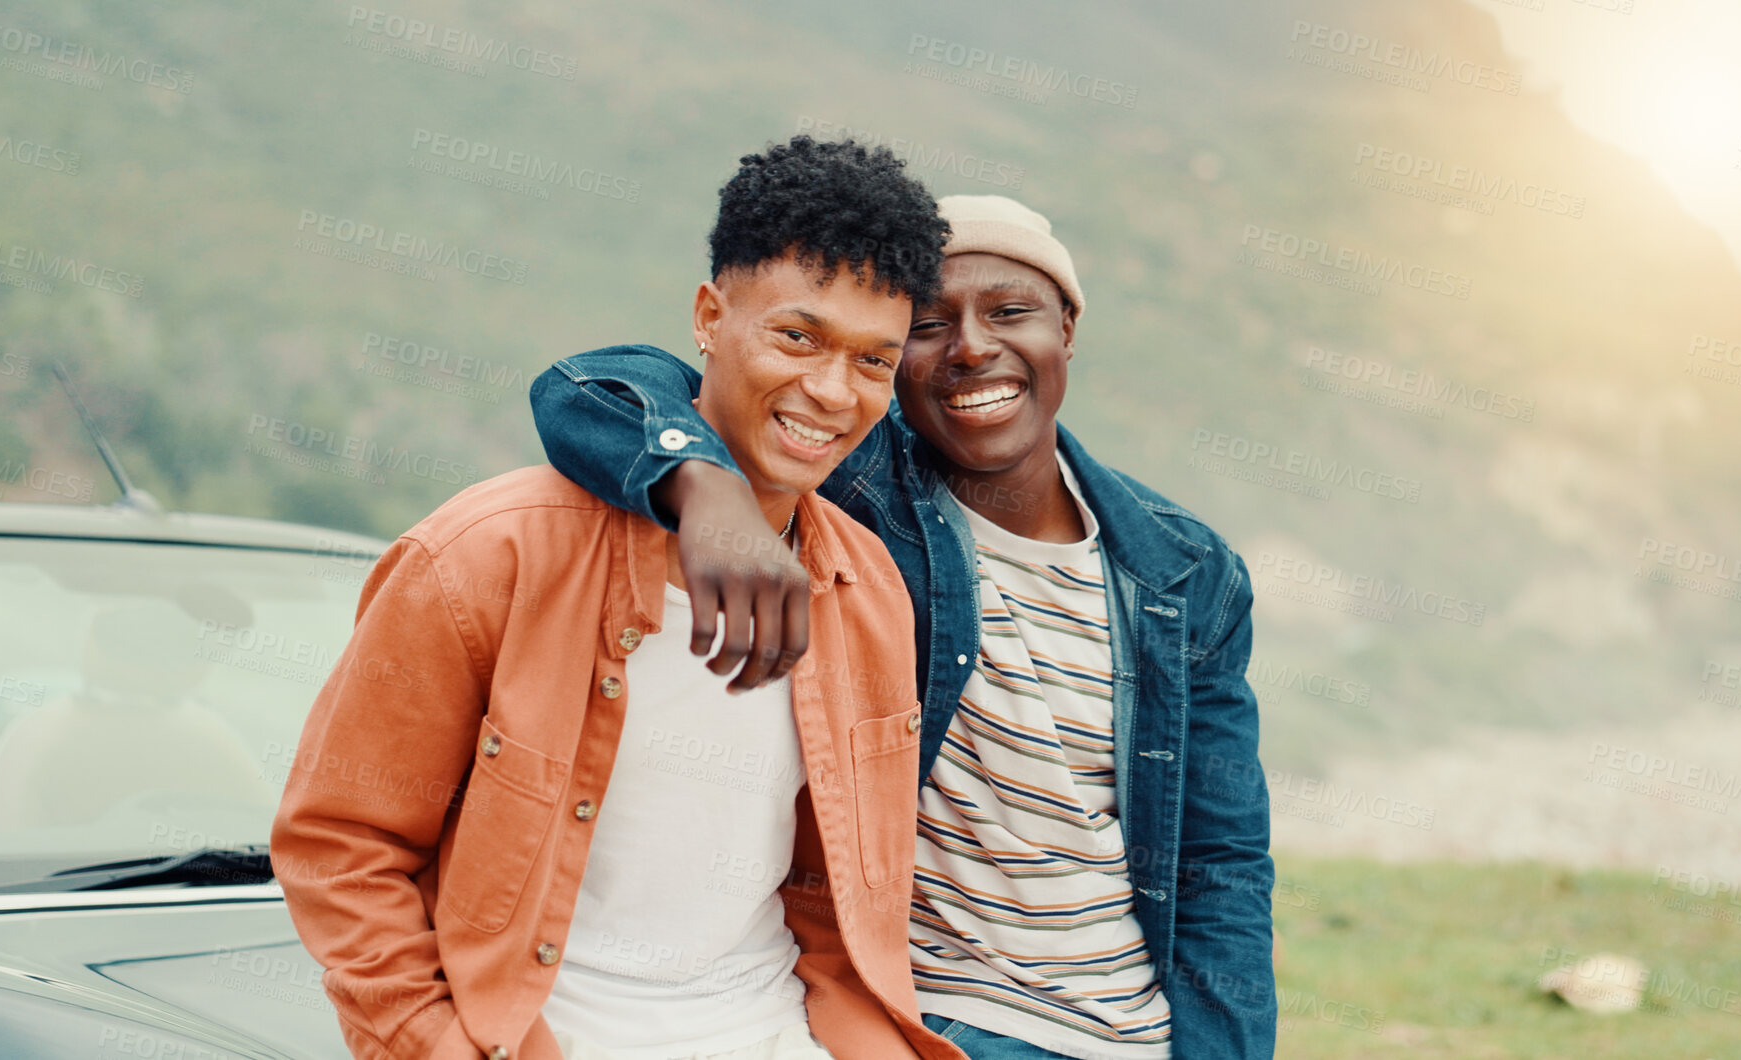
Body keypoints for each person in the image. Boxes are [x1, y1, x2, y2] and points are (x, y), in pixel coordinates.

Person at [530, 194, 1277, 1059]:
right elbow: (589, 384)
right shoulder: (860, 486)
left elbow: (1219, 859)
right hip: (936, 1016)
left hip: (1136, 1027)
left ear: (1065, 330)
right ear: (891, 365)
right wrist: (705, 488)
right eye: (927, 326)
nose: (970, 347)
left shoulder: (1185, 570)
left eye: (1009, 313)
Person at [272, 137, 967, 1060]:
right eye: (796, 337)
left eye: (872, 362)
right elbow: (341, 846)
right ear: (709, 316)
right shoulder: (491, 552)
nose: (830, 391)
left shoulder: (867, 588)